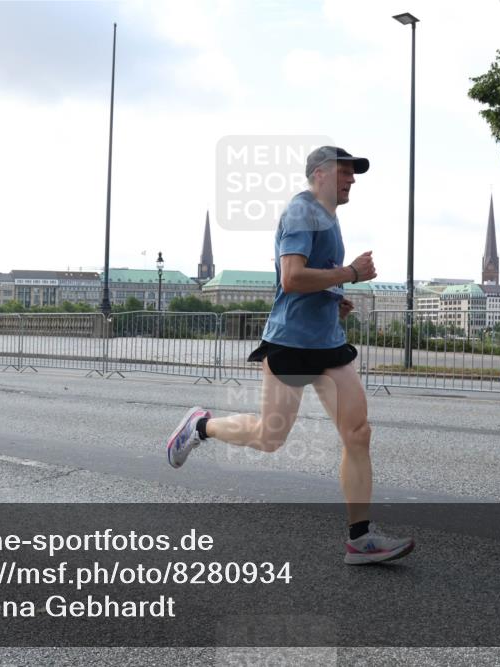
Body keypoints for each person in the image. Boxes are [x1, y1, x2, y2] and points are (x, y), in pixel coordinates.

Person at [165, 146, 414, 565]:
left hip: (329, 344)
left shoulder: (329, 217)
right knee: (269, 437)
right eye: (345, 172)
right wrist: (350, 274)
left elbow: (313, 280)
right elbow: (292, 277)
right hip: (292, 343)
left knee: (358, 433)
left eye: (354, 174)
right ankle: (201, 426)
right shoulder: (302, 212)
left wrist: (335, 297)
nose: (351, 180)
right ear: (319, 174)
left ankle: (360, 538)